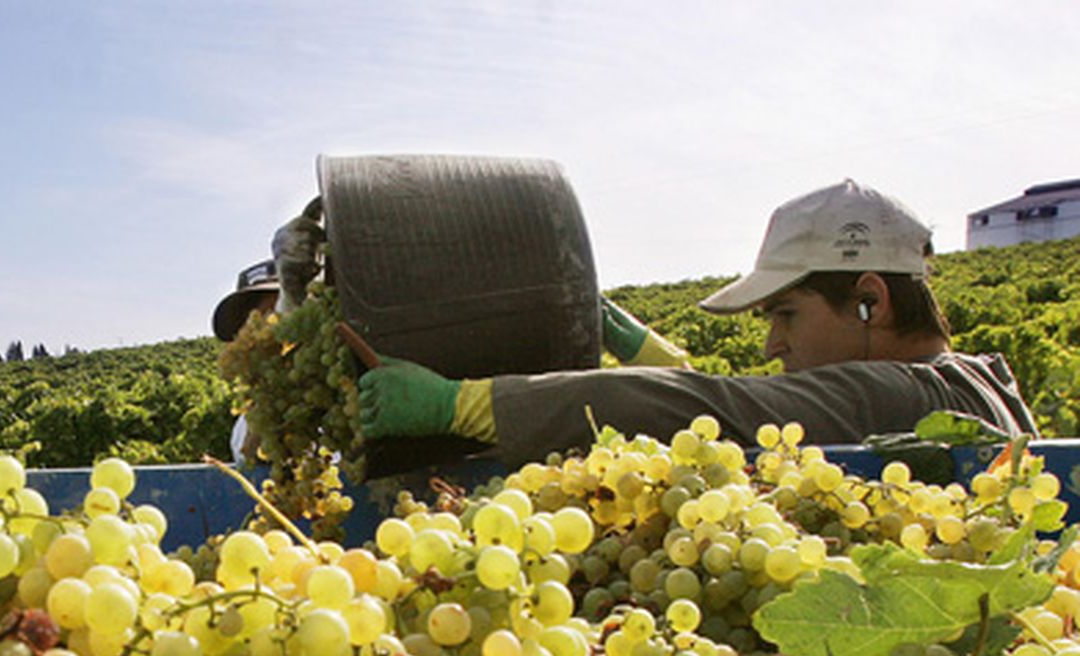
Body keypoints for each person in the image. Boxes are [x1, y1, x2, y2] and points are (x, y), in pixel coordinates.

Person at [355, 180, 1037, 462]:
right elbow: (746, 406)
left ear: (871, 301)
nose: (774, 344)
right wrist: (636, 342)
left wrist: (462, 403)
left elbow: (717, 408)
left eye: (786, 314)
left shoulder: (907, 396)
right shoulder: (981, 383)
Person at [212, 259, 283, 462]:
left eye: (279, 312)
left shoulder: (350, 391)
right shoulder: (246, 425)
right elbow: (253, 461)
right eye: (255, 323)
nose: (270, 330)